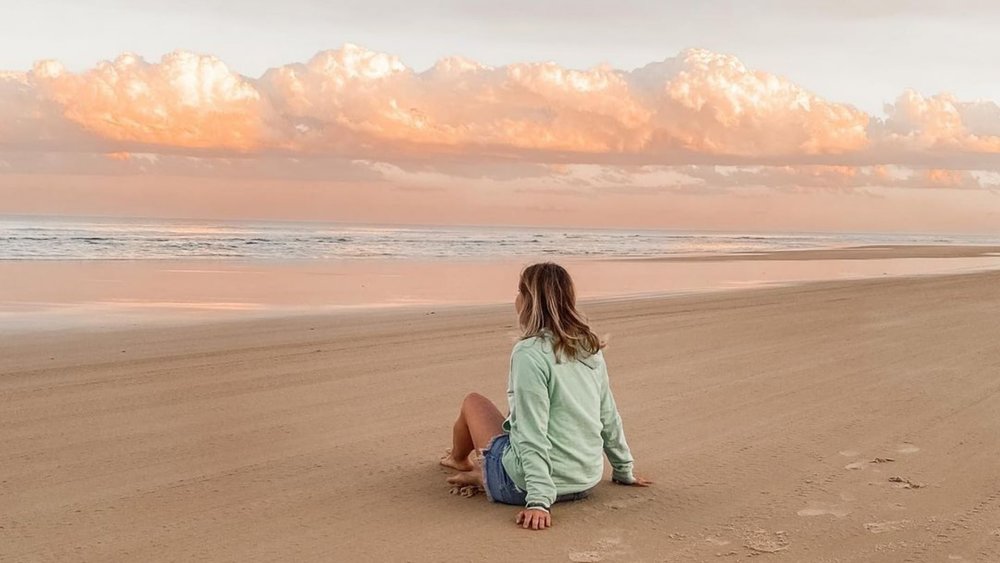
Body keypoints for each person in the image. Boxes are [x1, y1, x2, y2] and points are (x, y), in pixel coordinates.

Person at [440, 262, 652, 531]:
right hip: (585, 481)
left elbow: (532, 430)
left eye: (519, 292)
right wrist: (623, 470)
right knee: (515, 421)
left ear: (528, 301)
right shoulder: (589, 347)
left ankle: (461, 461)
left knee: (473, 402)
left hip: (525, 489)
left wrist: (539, 501)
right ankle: (483, 473)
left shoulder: (529, 353)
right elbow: (607, 415)